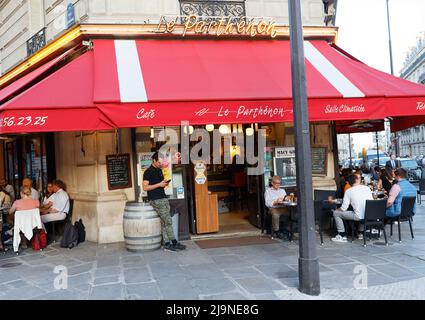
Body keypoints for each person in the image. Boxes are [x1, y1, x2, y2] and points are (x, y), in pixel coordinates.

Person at [142, 152, 186, 251]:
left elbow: (159, 184)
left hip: (163, 198)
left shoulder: (159, 170)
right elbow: (145, 187)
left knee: (164, 222)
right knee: (168, 221)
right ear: (154, 160)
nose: (160, 164)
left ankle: (166, 243)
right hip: (156, 200)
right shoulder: (148, 172)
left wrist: (164, 184)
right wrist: (159, 185)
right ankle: (174, 242)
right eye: (159, 162)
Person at [331, 174, 373, 242]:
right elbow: (371, 201)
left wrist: (337, 209)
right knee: (362, 211)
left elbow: (344, 208)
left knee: (336, 213)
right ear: (356, 180)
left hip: (358, 216)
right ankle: (360, 233)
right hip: (370, 215)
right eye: (359, 178)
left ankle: (342, 235)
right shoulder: (367, 188)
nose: (360, 179)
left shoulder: (349, 191)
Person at [264, 175, 291, 240]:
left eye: (279, 183)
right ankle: (276, 231)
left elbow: (285, 200)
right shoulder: (268, 191)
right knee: (275, 214)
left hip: (282, 207)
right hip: (273, 208)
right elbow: (267, 203)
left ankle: (287, 230)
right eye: (276, 183)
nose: (278, 185)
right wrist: (275, 202)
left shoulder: (282, 191)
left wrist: (286, 199)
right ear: (272, 183)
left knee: (292, 213)